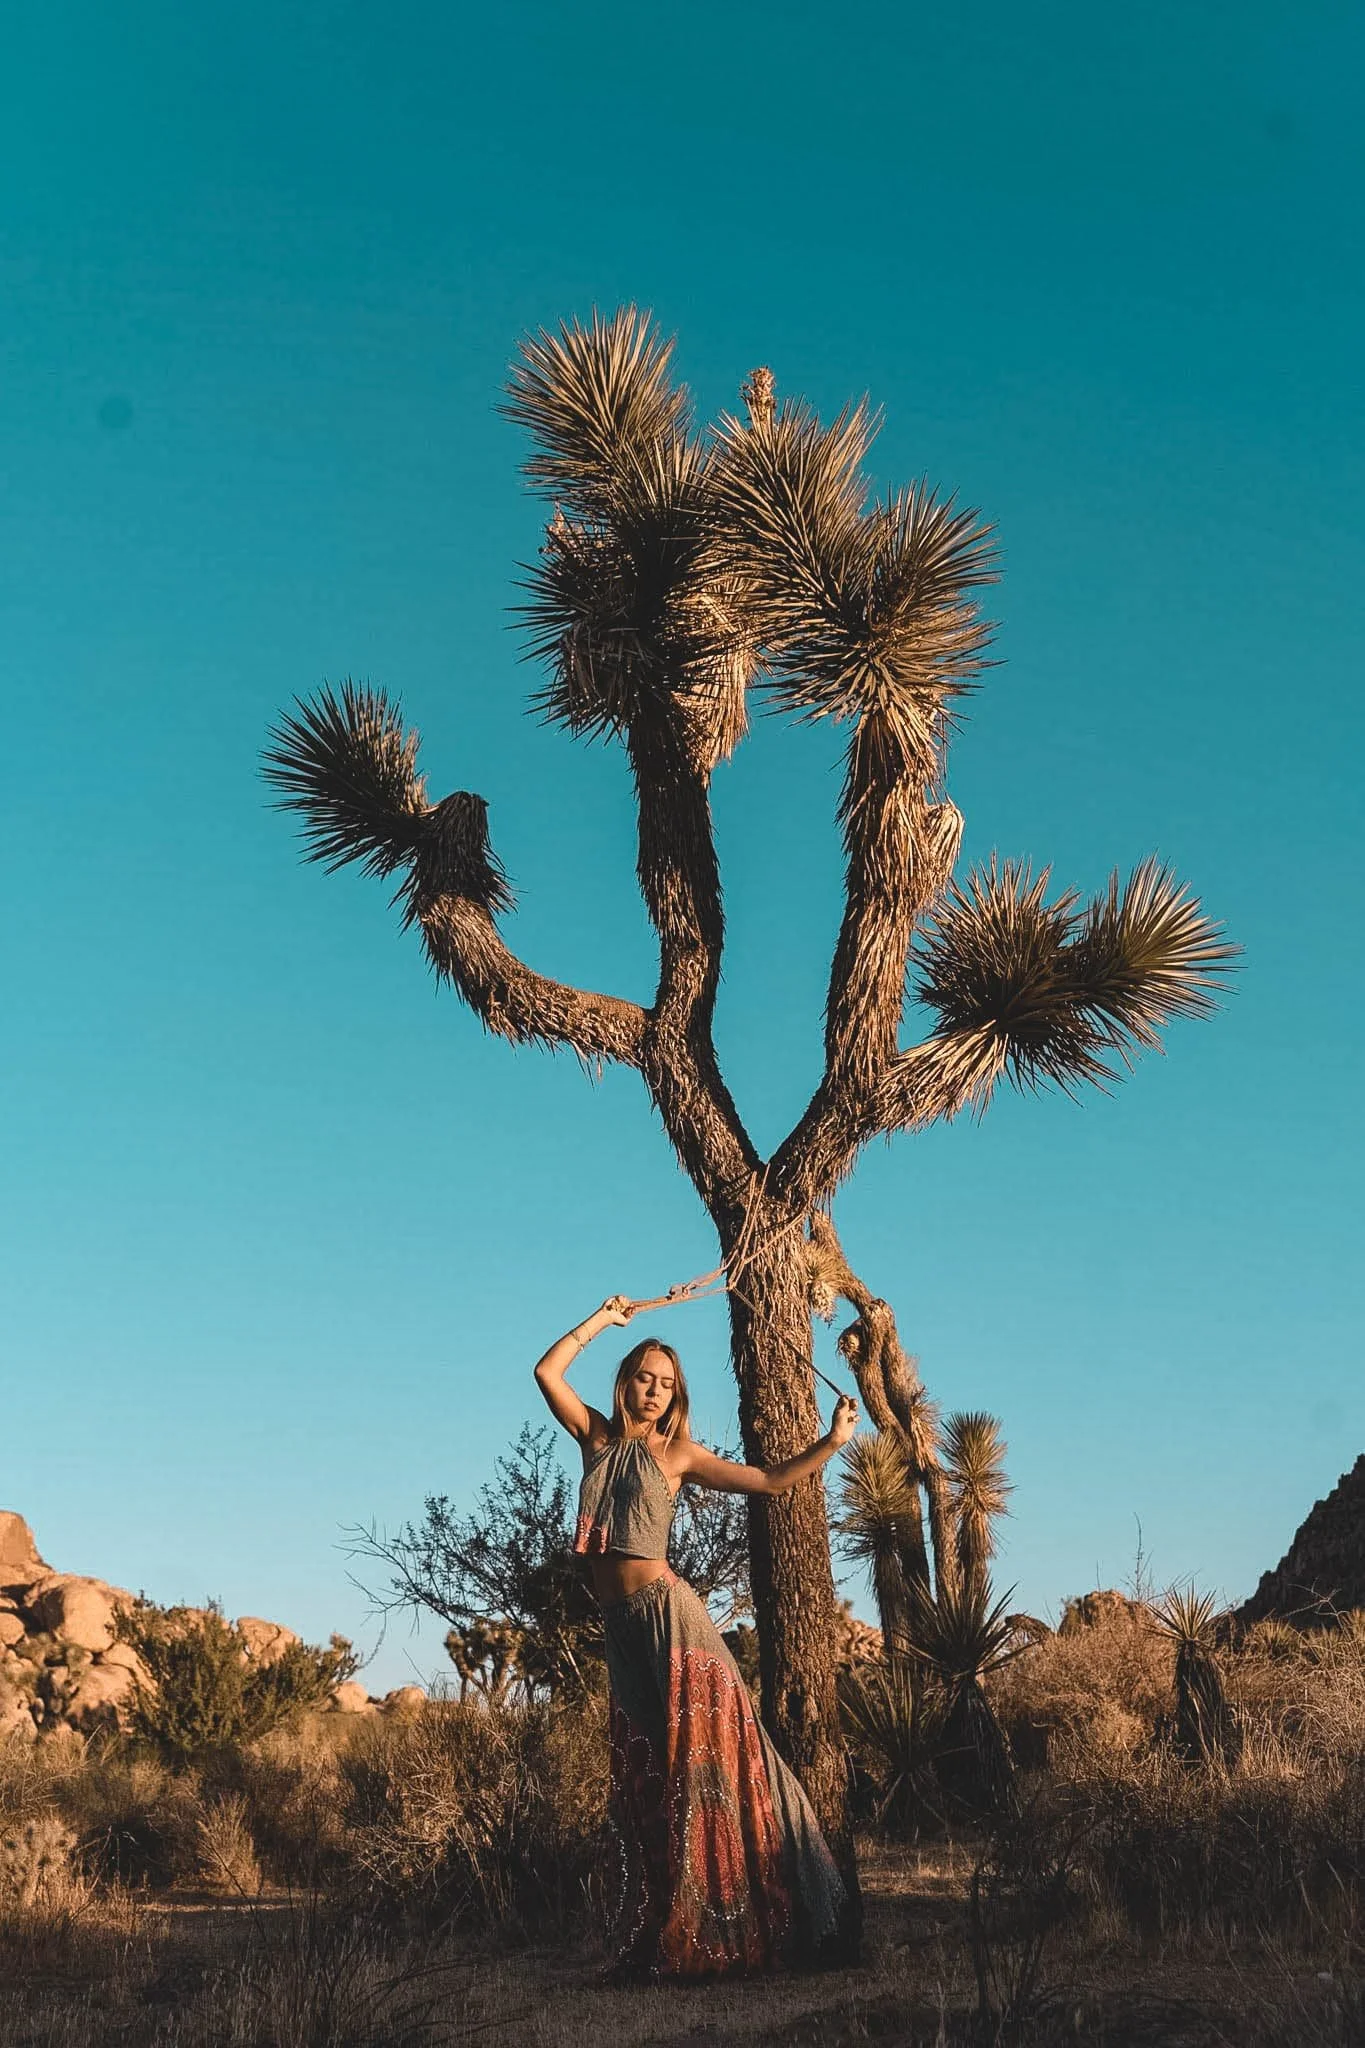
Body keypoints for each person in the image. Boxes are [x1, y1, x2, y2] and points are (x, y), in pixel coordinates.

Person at [534, 1292, 858, 1980]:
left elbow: (769, 1482)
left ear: (676, 1395)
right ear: (625, 1383)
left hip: (670, 1618)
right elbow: (546, 1372)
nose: (653, 1392)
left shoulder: (678, 1455)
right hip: (621, 1629)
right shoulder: (595, 1438)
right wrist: (600, 1319)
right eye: (644, 1379)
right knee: (647, 1770)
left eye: (666, 1384)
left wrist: (831, 1442)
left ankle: (753, 1923)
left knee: (713, 1761)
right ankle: (661, 1927)